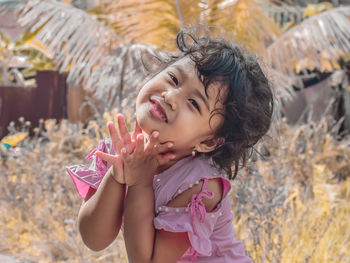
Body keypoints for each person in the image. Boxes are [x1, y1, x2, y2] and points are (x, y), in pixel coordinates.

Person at [67, 28, 273, 263]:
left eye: (194, 103)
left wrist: (140, 182)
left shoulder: (200, 186)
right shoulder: (120, 151)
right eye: (173, 79)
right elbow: (94, 239)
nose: (171, 97)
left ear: (208, 141)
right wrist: (116, 175)